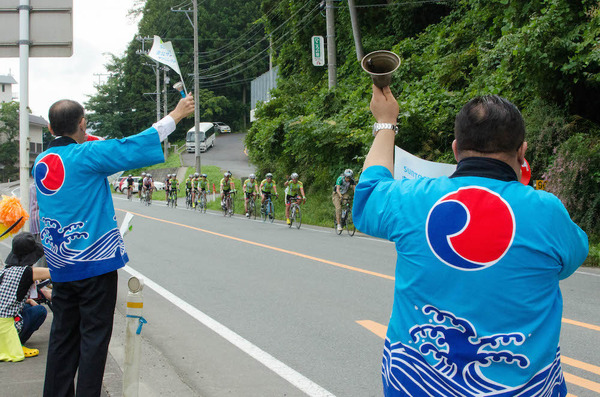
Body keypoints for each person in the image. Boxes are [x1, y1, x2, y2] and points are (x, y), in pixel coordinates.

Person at [353, 86, 589, 396]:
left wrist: (386, 123)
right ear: (522, 152)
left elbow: (368, 195)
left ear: (455, 149)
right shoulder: (547, 211)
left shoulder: (412, 199)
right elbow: (570, 260)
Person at [34, 94, 194, 396]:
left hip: (61, 266)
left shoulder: (41, 163)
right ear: (82, 123)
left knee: (62, 337)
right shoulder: (87, 155)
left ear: (52, 128)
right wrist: (175, 115)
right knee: (93, 339)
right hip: (95, 264)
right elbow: (131, 146)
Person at [0, 232, 51, 362]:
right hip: (4, 327)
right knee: (40, 311)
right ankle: (17, 343)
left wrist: (30, 301)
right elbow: (55, 273)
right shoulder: (27, 272)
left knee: (29, 306)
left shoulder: (4, 271)